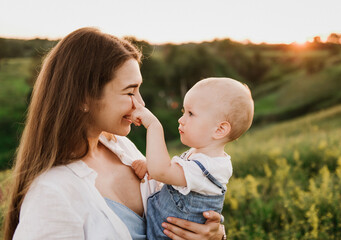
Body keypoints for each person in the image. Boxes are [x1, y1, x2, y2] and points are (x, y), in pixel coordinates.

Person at [4, 27, 225, 240]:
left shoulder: (122, 147)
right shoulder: (51, 193)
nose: (140, 103)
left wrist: (213, 235)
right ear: (84, 98)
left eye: (139, 90)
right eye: (130, 91)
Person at [131, 77, 254, 239]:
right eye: (183, 112)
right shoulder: (199, 155)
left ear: (219, 129)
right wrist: (150, 165)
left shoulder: (209, 167)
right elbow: (168, 174)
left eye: (191, 113)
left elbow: (162, 171)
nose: (181, 120)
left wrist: (154, 126)